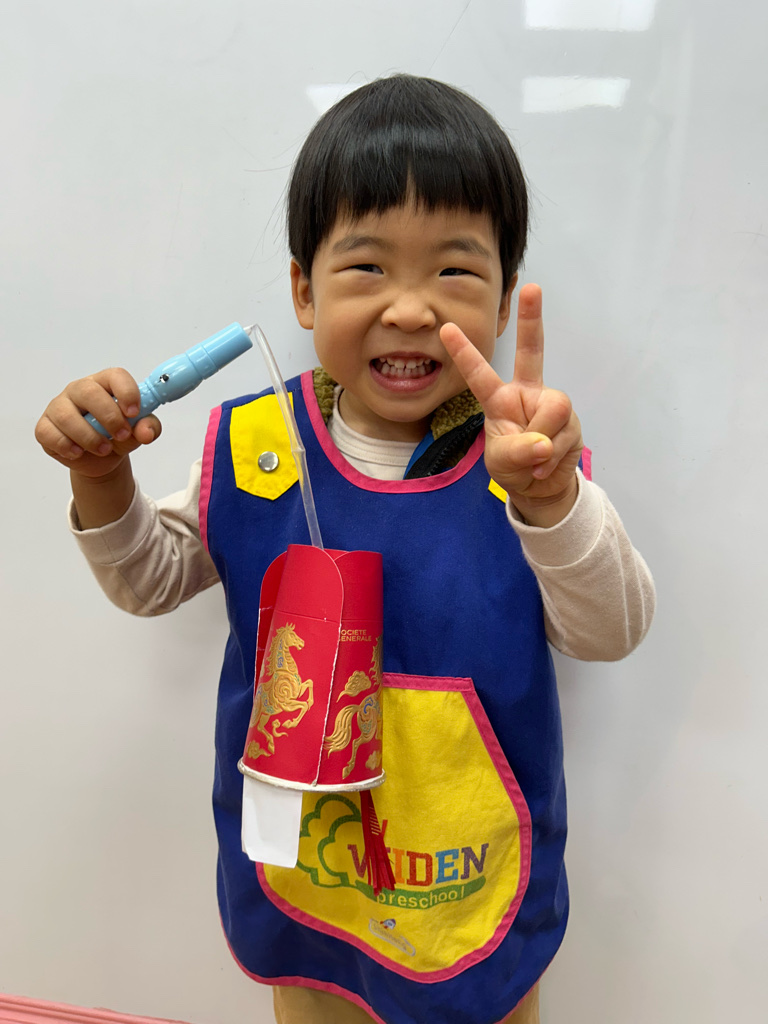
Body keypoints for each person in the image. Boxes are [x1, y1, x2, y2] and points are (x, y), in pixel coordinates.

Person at [35, 74, 655, 1024]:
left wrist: (553, 499)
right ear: (302, 288)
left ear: (502, 296)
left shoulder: (529, 461)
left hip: (470, 889)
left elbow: (610, 631)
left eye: (455, 272)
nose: (409, 309)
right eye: (367, 267)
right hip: (310, 880)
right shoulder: (254, 446)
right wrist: (102, 478)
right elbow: (148, 579)